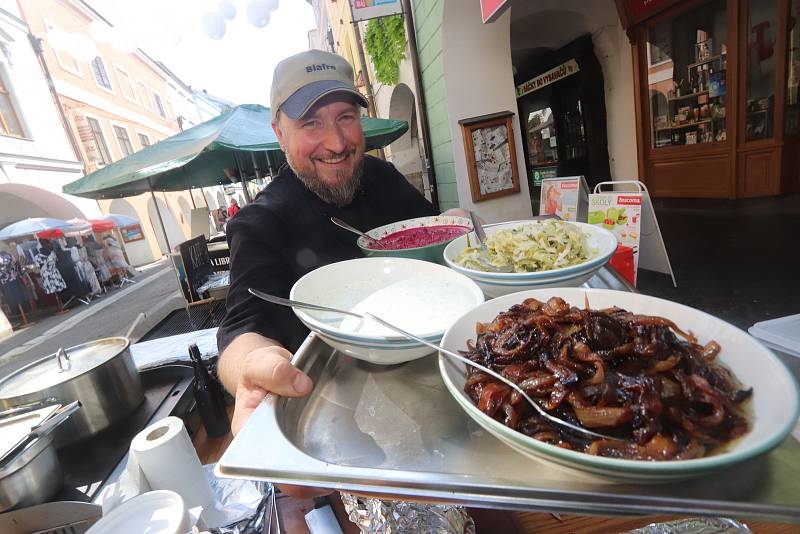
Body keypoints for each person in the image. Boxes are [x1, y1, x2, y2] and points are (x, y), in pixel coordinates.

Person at [216, 50, 470, 510]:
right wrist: (250, 369)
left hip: (444, 396)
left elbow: (432, 242)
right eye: (311, 123)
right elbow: (241, 329)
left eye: (346, 117)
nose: (336, 142)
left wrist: (454, 227)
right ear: (279, 132)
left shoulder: (384, 177)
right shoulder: (260, 222)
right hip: (341, 443)